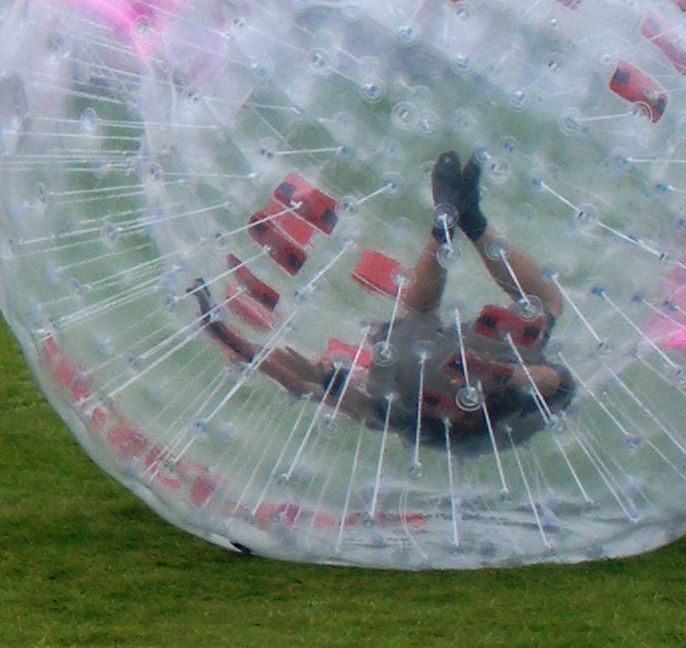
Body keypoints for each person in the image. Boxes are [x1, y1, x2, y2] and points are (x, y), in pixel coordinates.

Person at [202, 151, 577, 451]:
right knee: (544, 366)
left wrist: (229, 336)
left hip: (443, 377)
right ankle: (461, 226)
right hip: (425, 387)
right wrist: (234, 340)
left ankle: (453, 225)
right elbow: (316, 387)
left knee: (539, 325)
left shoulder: (416, 420)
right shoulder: (411, 423)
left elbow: (552, 383)